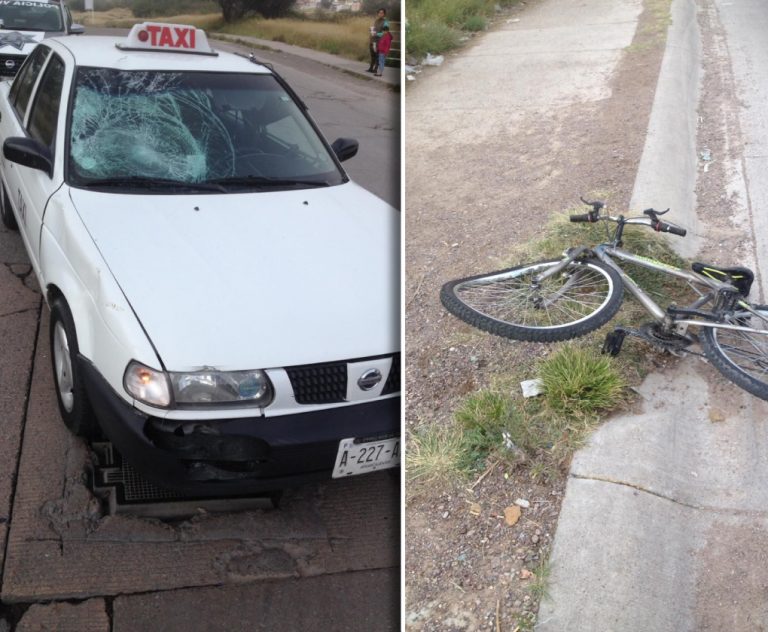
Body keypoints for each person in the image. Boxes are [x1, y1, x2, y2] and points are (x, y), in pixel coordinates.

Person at [366, 7, 388, 73]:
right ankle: (370, 68)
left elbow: (385, 33)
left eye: (382, 13)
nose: (380, 14)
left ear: (384, 14)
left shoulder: (385, 22)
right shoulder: (376, 21)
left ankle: (375, 69)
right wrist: (371, 30)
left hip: (379, 41)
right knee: (372, 55)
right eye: (379, 13)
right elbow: (374, 29)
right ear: (377, 14)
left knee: (377, 55)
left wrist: (377, 34)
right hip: (373, 40)